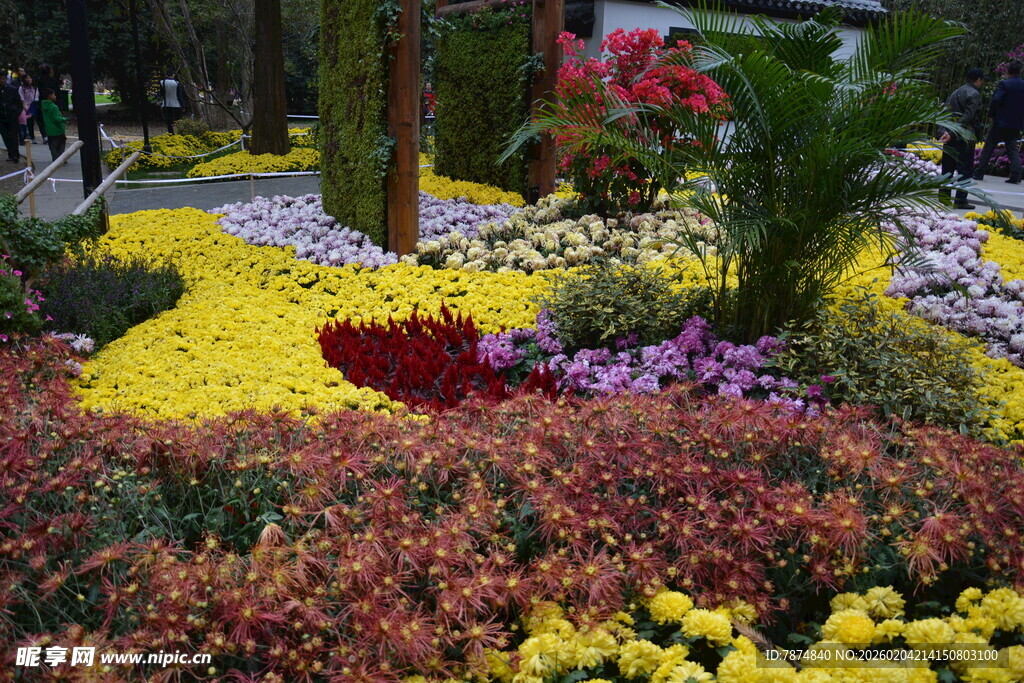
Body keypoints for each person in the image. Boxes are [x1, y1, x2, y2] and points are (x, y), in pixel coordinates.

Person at [938, 67, 986, 209]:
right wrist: (953, 132)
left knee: (947, 169)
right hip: (964, 136)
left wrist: (946, 131)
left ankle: (944, 197)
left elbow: (946, 113)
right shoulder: (974, 94)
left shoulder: (955, 92)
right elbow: (969, 116)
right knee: (965, 170)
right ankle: (960, 200)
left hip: (950, 135)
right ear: (978, 80)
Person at [974, 61, 1024, 185]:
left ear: (1008, 72)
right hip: (1016, 123)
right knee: (1012, 149)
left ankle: (979, 172)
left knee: (989, 147)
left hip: (1000, 122)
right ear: (1020, 72)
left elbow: (996, 99)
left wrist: (991, 114)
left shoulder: (1004, 84)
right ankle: (1016, 176)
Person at [40, 88, 67, 159]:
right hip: (58, 130)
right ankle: (60, 158)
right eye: (54, 95)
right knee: (61, 144)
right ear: (49, 96)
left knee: (52, 146)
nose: (55, 96)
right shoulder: (54, 107)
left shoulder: (43, 106)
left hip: (49, 130)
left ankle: (55, 157)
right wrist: (64, 119)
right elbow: (56, 118)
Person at [1, 77, 21, 163]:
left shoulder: (12, 89)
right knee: (5, 136)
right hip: (1, 117)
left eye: (2, 78)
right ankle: (10, 153)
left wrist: (16, 112)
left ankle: (15, 154)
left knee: (13, 136)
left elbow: (18, 102)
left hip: (12, 116)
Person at [18, 74, 39, 144]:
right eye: (27, 78)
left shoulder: (34, 88)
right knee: (26, 123)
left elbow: (36, 98)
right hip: (25, 107)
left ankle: (37, 136)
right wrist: (26, 108)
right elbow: (22, 99)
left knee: (35, 122)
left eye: (30, 78)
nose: (29, 79)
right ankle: (26, 137)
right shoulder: (22, 88)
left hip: (33, 106)